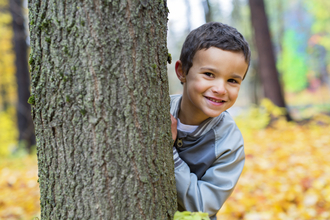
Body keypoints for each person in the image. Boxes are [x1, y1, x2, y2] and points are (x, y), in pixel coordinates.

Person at [170, 22, 251, 220]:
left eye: (232, 80)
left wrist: (169, 152)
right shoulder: (158, 110)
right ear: (182, 72)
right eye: (209, 74)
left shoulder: (229, 143)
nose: (221, 89)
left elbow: (203, 205)